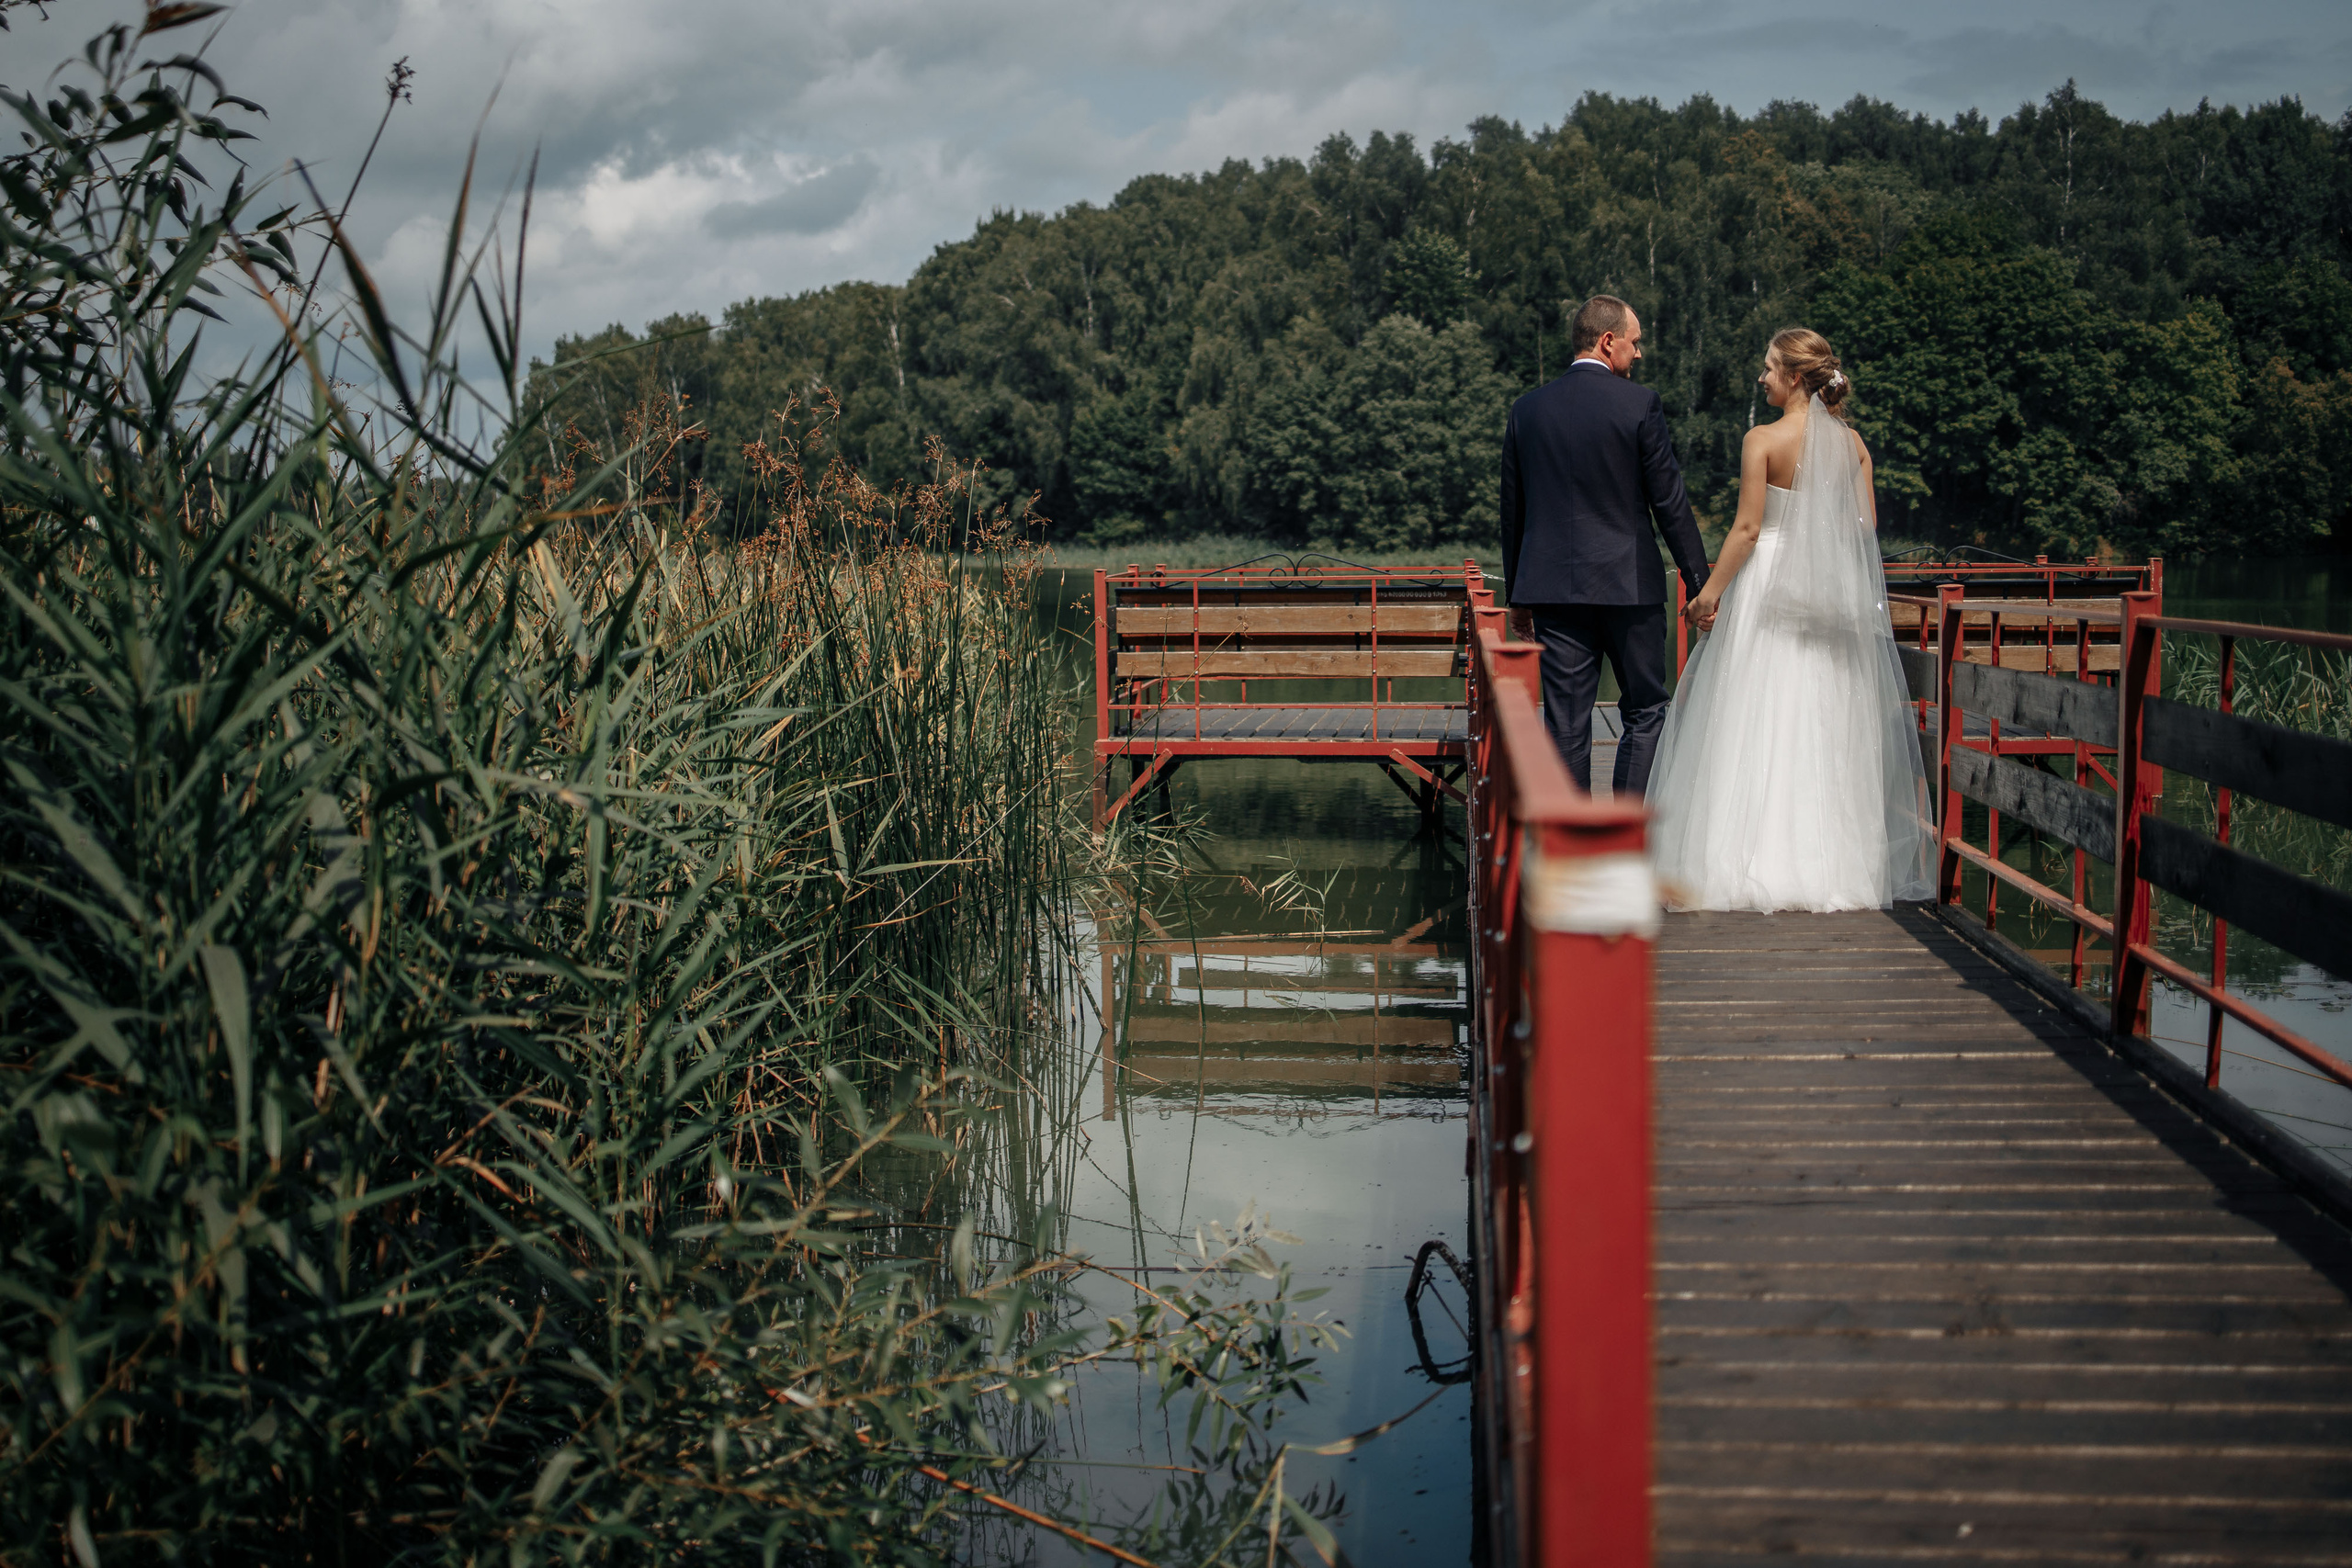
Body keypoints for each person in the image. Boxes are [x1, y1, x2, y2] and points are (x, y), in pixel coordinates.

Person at [1647, 328, 1934, 912]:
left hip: (1769, 584)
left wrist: (1709, 596)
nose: (1762, 377)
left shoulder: (1763, 438)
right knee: (1825, 717)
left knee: (1754, 711)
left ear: (1795, 377)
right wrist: (1821, 557)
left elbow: (1749, 530)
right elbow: (1863, 531)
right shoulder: (1852, 446)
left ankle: (1746, 861)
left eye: (1769, 368)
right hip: (1829, 597)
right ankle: (1834, 869)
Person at [1500, 295, 1711, 797]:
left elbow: (1514, 513)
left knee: (1566, 723)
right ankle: (1627, 834)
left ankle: (1572, 847)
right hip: (1629, 588)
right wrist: (1700, 584)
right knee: (1645, 710)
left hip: (1553, 590)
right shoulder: (1640, 405)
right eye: (1634, 344)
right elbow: (1671, 504)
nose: (1638, 355)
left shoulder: (1527, 410)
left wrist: (1518, 598)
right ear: (1607, 340)